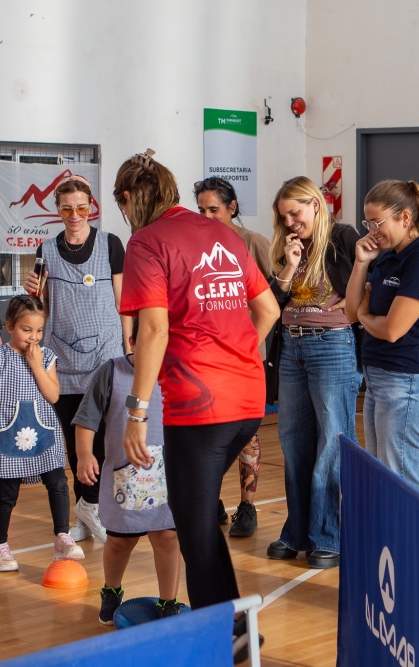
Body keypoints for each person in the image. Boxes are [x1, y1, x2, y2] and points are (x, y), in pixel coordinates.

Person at [115, 149, 279, 662]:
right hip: (249, 399)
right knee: (198, 518)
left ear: (127, 199)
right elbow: (268, 308)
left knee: (193, 526)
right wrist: (235, 356)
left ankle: (224, 641)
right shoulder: (223, 234)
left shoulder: (145, 242)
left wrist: (137, 412)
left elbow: (155, 331)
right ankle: (237, 625)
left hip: (201, 408)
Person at [23, 176, 132, 545]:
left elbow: (123, 301)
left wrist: (129, 341)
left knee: (102, 439)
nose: (74, 215)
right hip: (64, 357)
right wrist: (30, 294)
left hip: (105, 354)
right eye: (67, 208)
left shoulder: (111, 244)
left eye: (81, 207)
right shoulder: (45, 250)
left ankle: (95, 507)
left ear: (91, 208)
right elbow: (41, 305)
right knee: (74, 443)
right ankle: (87, 513)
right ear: (58, 210)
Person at [265, 176, 362, 570]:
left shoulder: (342, 237)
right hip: (291, 344)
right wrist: (288, 266)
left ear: (316, 205)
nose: (290, 222)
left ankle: (329, 535)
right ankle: (298, 531)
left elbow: (360, 289)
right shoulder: (285, 245)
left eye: (296, 212)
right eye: (284, 216)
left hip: (331, 343)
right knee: (292, 439)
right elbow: (273, 301)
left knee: (332, 441)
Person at [345, 180, 419, 496]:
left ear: (405, 218)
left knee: (404, 482)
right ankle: (394, 545)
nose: (371, 230)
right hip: (379, 379)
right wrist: (360, 263)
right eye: (367, 223)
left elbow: (393, 330)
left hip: (407, 382)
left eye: (377, 222)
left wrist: (368, 316)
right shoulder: (386, 257)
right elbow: (352, 313)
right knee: (385, 476)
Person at [73, 319, 183, 624]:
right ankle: (111, 589)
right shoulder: (111, 372)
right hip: (124, 476)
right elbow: (86, 419)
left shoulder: (178, 373)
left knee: (167, 537)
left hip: (167, 476)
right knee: (120, 541)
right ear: (131, 343)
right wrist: (84, 454)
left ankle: (168, 601)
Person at [0, 295, 84, 571]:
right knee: (7, 493)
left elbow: (53, 395)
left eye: (39, 330)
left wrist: (36, 364)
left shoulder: (47, 357)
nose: (34, 337)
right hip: (9, 434)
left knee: (57, 482)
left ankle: (62, 536)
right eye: (26, 330)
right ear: (9, 326)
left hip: (41, 433)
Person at [193, 176, 271, 538]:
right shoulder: (193, 244)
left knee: (246, 433)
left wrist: (246, 347)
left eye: (214, 209)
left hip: (245, 358)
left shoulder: (254, 244)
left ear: (232, 207)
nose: (207, 217)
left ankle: (247, 506)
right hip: (206, 360)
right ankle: (210, 501)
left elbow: (272, 304)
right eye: (201, 210)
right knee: (207, 434)